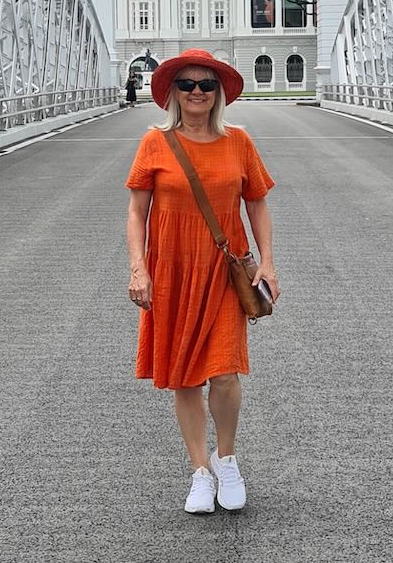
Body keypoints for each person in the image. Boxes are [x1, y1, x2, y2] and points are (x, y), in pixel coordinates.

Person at [124, 48, 280, 514]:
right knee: (184, 377)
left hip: (222, 270)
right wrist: (138, 267)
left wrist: (267, 262)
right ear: (173, 92)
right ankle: (199, 471)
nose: (197, 92)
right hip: (170, 270)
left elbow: (256, 203)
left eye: (206, 85)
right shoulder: (155, 143)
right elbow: (136, 211)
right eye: (188, 85)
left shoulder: (239, 142)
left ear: (218, 94)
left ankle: (226, 458)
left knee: (226, 373)